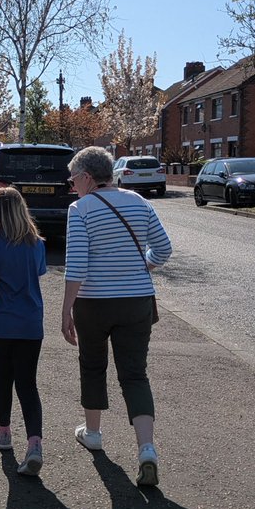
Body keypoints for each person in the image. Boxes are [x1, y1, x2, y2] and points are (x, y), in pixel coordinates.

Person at [61, 146, 172, 486]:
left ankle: (93, 433)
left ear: (88, 177)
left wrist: (65, 310)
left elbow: (77, 265)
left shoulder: (80, 209)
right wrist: (142, 266)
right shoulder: (140, 203)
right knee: (135, 374)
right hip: (137, 300)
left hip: (94, 303)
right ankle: (147, 450)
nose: (71, 185)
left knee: (93, 365)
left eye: (73, 178)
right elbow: (164, 248)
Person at [0, 186, 48, 477]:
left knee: (3, 376)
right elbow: (39, 273)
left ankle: (4, 433)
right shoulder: (37, 243)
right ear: (21, 210)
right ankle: (35, 444)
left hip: (1, 322)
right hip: (31, 322)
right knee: (28, 383)